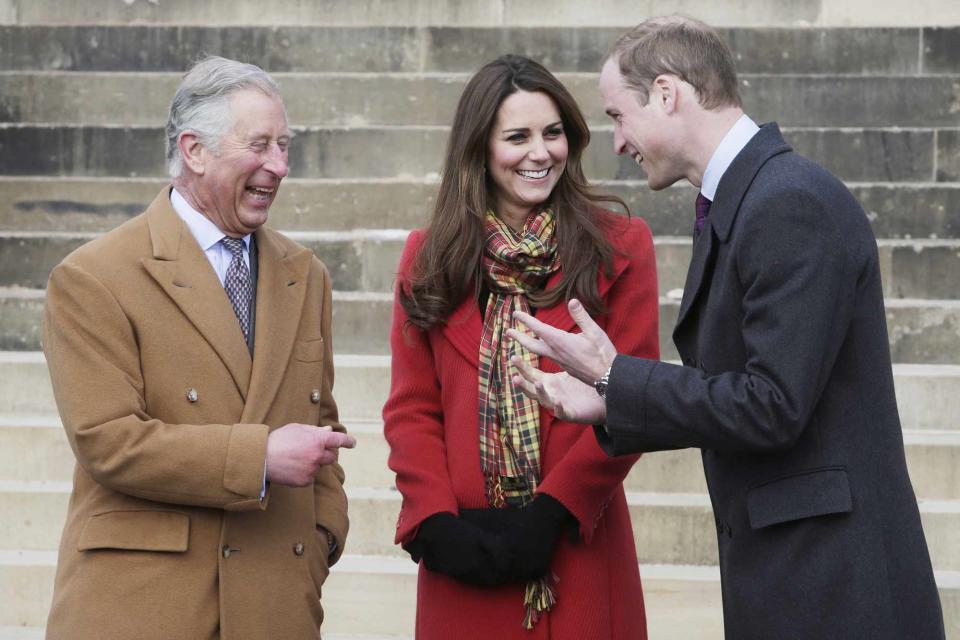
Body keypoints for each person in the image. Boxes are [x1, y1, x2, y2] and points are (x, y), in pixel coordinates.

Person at [510, 15, 945, 639]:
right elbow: (741, 391)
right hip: (797, 576)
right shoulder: (750, 197)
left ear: (667, 94)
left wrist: (616, 377)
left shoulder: (788, 201)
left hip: (834, 588)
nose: (617, 143)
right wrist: (611, 399)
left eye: (616, 116)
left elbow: (772, 404)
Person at [41, 56, 356, 640]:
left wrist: (322, 540)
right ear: (194, 150)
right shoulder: (93, 275)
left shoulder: (306, 274)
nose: (279, 166)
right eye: (259, 145)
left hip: (275, 604)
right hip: (147, 607)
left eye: (284, 145)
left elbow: (322, 429)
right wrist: (256, 458)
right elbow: (107, 441)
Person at [382, 54, 659, 639]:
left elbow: (635, 398)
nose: (541, 153)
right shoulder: (426, 258)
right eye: (518, 137)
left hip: (577, 546)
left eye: (553, 132)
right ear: (479, 147)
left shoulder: (623, 247)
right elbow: (412, 409)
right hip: (465, 557)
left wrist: (553, 512)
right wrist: (434, 523)